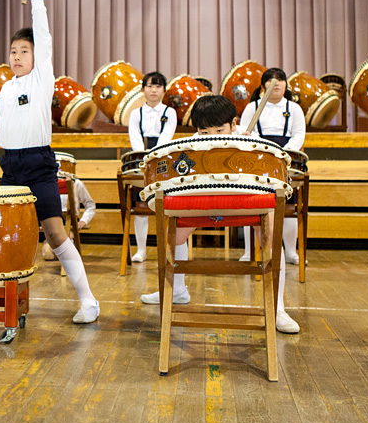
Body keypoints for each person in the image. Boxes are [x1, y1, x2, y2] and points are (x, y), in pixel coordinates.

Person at [0, 0, 100, 323]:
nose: (17, 56)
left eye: (24, 51)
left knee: (55, 232)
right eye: (13, 51)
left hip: (39, 164)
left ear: (36, 56)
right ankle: (3, 300)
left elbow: (43, 34)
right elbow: (0, 121)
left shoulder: (42, 78)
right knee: (2, 233)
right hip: (10, 166)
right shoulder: (6, 88)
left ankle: (89, 301)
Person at [139, 94, 300, 333]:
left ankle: (278, 309)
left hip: (242, 201)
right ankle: (178, 290)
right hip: (202, 202)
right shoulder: (192, 145)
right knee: (171, 234)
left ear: (233, 124)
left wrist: (246, 146)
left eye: (219, 130)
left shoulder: (250, 140)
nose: (211, 135)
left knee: (271, 230)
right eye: (204, 132)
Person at [238, 68, 306, 265]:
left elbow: (299, 135)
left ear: (286, 85)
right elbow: (246, 132)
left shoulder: (294, 108)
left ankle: (291, 252)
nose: (276, 83)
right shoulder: (252, 108)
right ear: (263, 86)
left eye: (280, 80)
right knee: (251, 204)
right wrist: (265, 150)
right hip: (259, 157)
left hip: (287, 158)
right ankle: (249, 252)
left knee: (289, 204)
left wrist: (283, 154)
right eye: (270, 80)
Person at [126, 72, 177, 262]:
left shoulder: (169, 112)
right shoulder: (135, 113)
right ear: (142, 90)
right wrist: (144, 158)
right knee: (141, 205)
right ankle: (141, 251)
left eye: (158, 86)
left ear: (164, 90)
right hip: (141, 159)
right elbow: (135, 138)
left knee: (163, 205)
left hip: (161, 159)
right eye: (149, 86)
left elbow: (166, 137)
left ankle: (163, 252)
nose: (153, 90)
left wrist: (154, 157)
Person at [41, 176, 96, 260]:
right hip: (52, 222)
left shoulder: (76, 183)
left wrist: (83, 221)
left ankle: (68, 244)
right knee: (48, 255)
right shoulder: (45, 182)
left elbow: (90, 205)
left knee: (67, 255)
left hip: (70, 222)